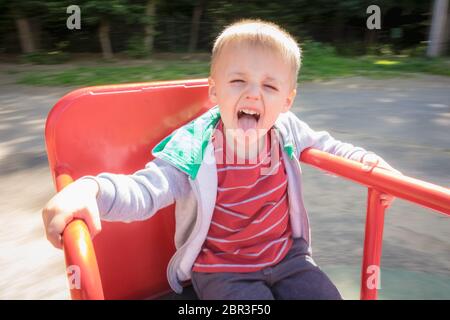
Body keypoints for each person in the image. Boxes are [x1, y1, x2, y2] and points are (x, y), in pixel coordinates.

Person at [42, 19, 400, 300]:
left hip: (289, 260)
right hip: (222, 269)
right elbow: (146, 190)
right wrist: (91, 190)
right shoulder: (195, 145)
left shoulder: (287, 128)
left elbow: (332, 146)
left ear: (287, 101)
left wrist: (373, 166)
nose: (253, 93)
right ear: (215, 91)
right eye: (238, 80)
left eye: (270, 86)